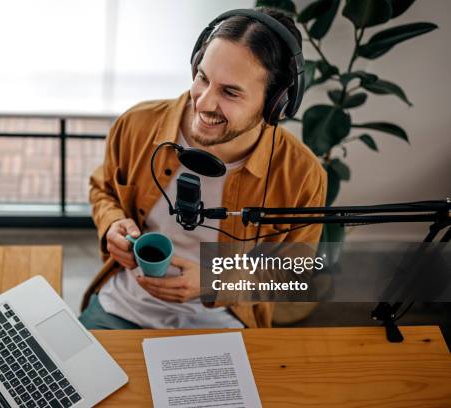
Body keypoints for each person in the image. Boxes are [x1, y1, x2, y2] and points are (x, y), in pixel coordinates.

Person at [78, 8, 326, 330]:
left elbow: (292, 271)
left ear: (275, 104)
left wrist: (214, 280)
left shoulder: (301, 175)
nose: (204, 103)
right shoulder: (136, 125)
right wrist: (111, 223)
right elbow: (104, 188)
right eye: (203, 78)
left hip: (223, 318)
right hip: (124, 302)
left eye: (230, 92)